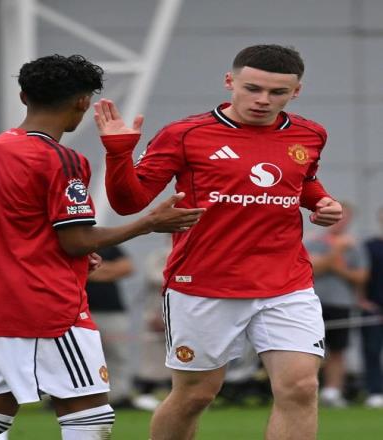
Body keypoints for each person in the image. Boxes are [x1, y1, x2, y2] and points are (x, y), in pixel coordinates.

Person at [0, 54, 204, 440]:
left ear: (24, 97)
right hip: (43, 304)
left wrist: (33, 244)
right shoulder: (60, 159)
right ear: (83, 102)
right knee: (91, 417)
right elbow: (76, 242)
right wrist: (149, 223)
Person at [93, 44, 343, 440]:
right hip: (204, 284)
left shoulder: (310, 134)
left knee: (300, 387)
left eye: (277, 92)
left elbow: (304, 181)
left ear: (295, 92)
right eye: (253, 88)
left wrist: (322, 203)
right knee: (195, 395)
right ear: (230, 81)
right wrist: (118, 153)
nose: (263, 100)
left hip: (286, 283)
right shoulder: (184, 134)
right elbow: (129, 202)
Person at [305, 202, 369, 407]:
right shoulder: (312, 241)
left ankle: (333, 392)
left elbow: (361, 277)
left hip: (341, 303)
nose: (340, 222)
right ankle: (306, 389)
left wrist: (331, 264)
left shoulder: (355, 245)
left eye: (344, 217)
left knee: (338, 350)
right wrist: (337, 252)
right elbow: (312, 268)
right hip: (312, 302)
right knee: (308, 350)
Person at [86, 245, 135, 407]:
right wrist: (108, 270)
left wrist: (90, 272)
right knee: (79, 357)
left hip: (112, 311)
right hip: (78, 312)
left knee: (118, 354)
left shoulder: (107, 244)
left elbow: (127, 268)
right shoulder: (69, 243)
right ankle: (73, 397)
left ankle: (118, 396)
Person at [132, 244, 172, 411]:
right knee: (153, 356)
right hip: (157, 312)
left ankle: (175, 392)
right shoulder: (159, 256)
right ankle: (145, 392)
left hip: (182, 315)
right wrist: (154, 314)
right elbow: (156, 279)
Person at [360, 206, 383, 408]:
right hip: (375, 308)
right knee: (372, 349)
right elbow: (362, 275)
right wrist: (363, 300)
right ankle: (375, 391)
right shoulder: (370, 246)